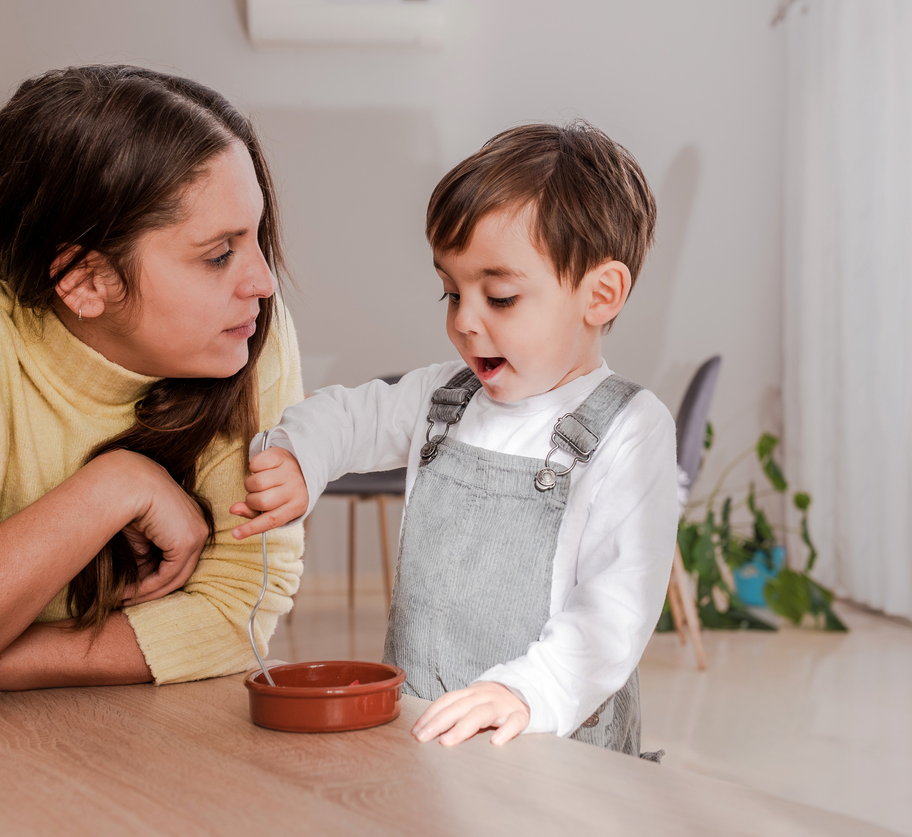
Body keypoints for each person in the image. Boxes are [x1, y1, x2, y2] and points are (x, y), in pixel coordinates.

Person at [0, 65, 304, 718]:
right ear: (83, 280)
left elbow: (236, 617)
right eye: (218, 254)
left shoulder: (249, 336)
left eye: (255, 237)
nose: (263, 282)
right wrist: (113, 487)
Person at [234, 122, 677, 755]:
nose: (465, 322)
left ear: (599, 294)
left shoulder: (629, 430)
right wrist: (301, 456)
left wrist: (527, 691)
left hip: (550, 742)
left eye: (499, 297)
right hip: (430, 728)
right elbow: (349, 416)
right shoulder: (444, 399)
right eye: (451, 291)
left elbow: (617, 607)